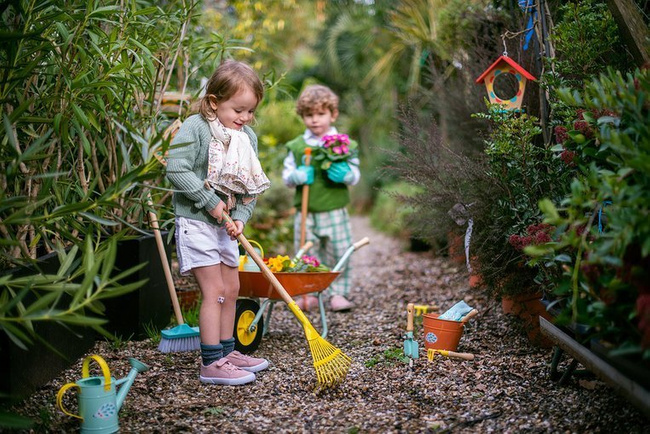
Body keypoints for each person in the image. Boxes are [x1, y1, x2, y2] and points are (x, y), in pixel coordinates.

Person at [166, 60, 271, 385]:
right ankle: (211, 363)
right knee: (214, 292)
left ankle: (228, 352)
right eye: (238, 109)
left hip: (224, 226)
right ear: (214, 102)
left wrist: (239, 218)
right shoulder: (195, 128)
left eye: (251, 111)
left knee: (232, 288)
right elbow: (176, 168)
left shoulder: (246, 137)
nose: (245, 118)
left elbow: (248, 187)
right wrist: (210, 201)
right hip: (196, 222)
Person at [282, 84, 361, 312]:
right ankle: (309, 293)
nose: (315, 120)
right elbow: (287, 176)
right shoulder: (297, 146)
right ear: (302, 116)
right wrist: (296, 176)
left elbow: (355, 175)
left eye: (320, 114)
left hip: (334, 209)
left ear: (332, 114)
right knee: (307, 253)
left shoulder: (343, 144)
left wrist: (346, 175)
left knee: (339, 250)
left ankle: (338, 294)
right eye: (309, 115)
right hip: (306, 212)